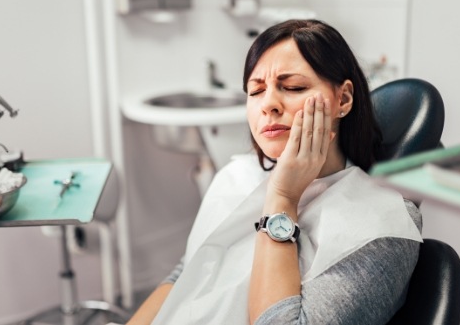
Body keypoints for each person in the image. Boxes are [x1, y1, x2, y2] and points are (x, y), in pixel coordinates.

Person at [127, 19, 423, 325]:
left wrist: (283, 198)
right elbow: (188, 274)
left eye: (293, 87)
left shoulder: (382, 226)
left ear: (343, 99)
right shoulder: (236, 177)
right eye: (255, 92)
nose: (268, 104)